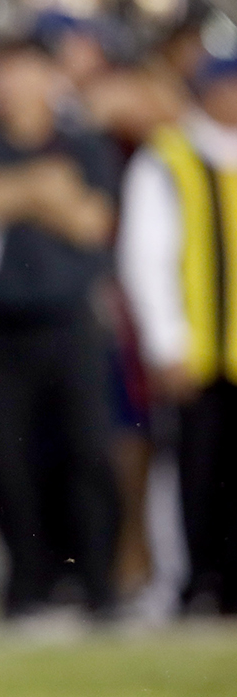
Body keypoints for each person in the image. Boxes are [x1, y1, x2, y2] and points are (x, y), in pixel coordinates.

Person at [0, 40, 118, 620]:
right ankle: (27, 580)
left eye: (22, 71)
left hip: (67, 321)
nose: (9, 85)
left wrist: (7, 193)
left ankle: (97, 582)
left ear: (50, 78)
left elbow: (91, 223)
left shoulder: (84, 142)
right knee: (5, 460)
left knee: (86, 451)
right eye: (1, 73)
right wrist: (40, 187)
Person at [119, 49, 237, 614]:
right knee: (193, 469)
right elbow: (147, 255)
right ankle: (190, 582)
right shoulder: (170, 155)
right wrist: (167, 341)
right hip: (199, 346)